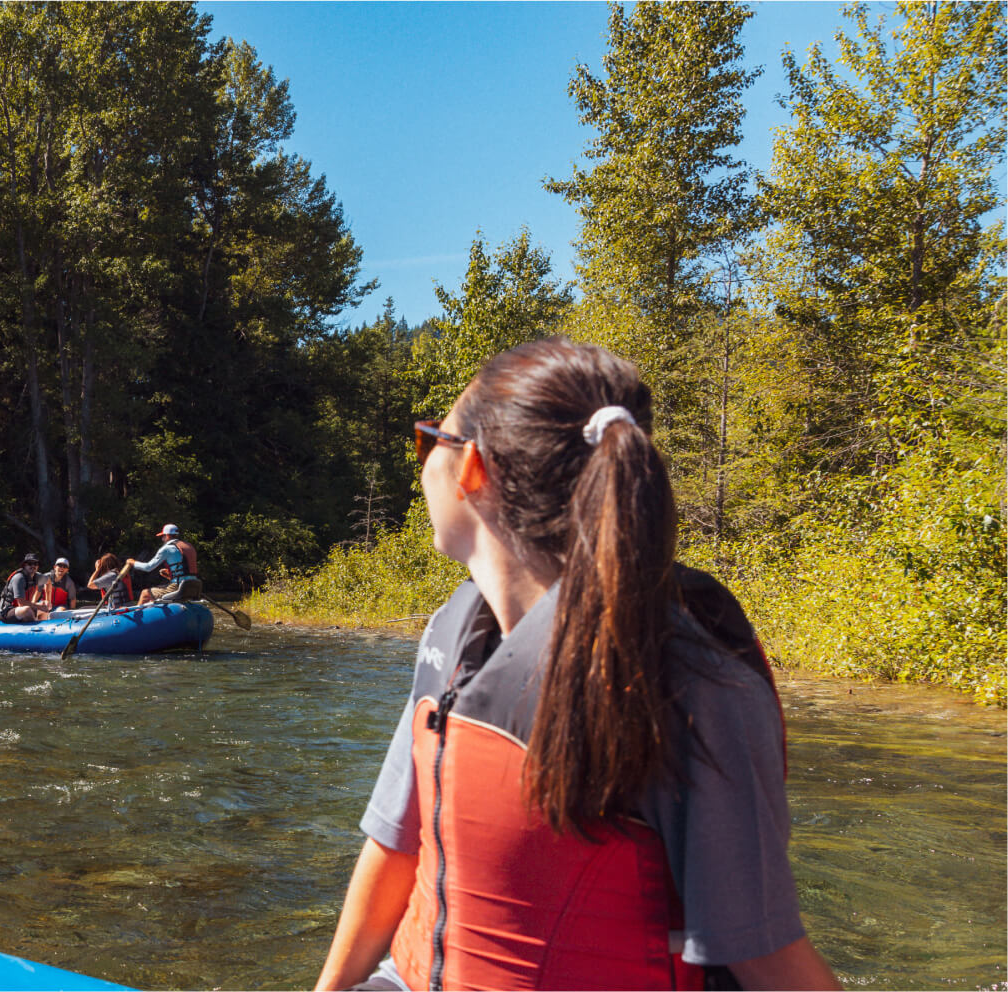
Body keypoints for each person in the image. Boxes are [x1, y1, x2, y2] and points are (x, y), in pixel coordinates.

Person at [313, 338, 838, 991]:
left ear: (472, 469)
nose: (419, 467)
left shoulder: (686, 678)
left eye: (429, 443)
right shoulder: (450, 637)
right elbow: (395, 845)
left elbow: (767, 954)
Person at [124, 524, 202, 603]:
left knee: (145, 593)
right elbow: (186, 571)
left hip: (179, 587)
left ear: (167, 536)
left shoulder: (167, 548)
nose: (162, 539)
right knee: (154, 596)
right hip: (195, 586)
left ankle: (136, 614)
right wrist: (171, 574)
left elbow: (148, 567)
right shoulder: (188, 546)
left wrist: (133, 563)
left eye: (163, 536)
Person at [0, 553, 45, 624]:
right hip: (7, 612)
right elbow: (21, 603)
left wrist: (48, 600)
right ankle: (36, 629)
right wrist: (38, 606)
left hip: (21, 609)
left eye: (35, 564)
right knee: (27, 610)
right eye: (30, 563)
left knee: (44, 611)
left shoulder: (38, 576)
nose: (33, 566)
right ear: (24, 565)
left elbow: (49, 581)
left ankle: (43, 632)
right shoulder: (19, 578)